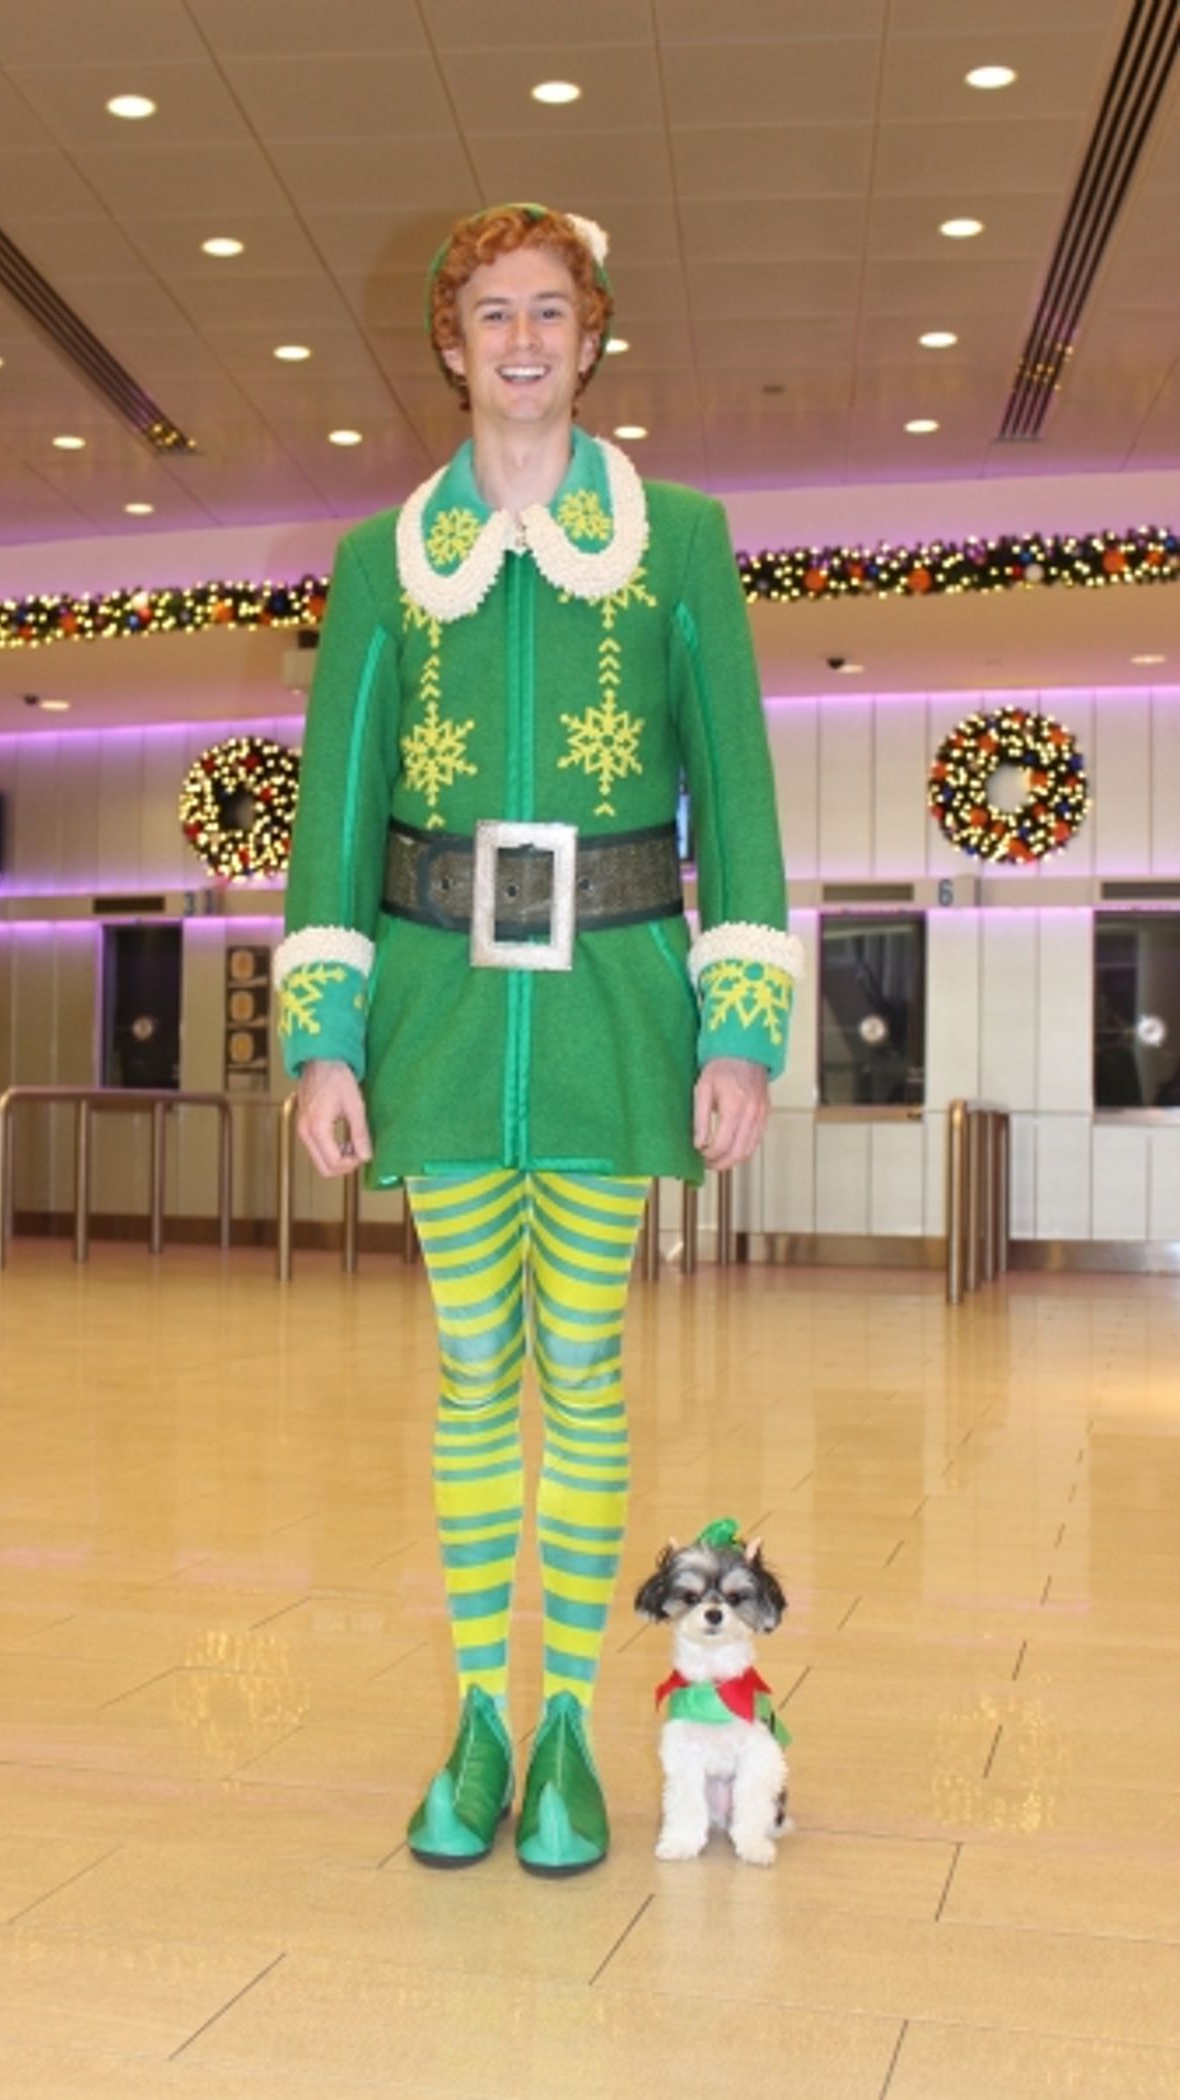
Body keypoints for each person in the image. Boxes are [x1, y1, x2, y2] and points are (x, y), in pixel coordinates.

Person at [274, 204, 801, 1876]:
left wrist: (742, 1030)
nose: (520, 339)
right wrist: (324, 1037)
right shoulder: (380, 562)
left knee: (581, 1366)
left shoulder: (682, 541)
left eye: (550, 312)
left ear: (592, 335)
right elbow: (333, 817)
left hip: (607, 1020)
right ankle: (479, 1716)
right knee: (467, 1372)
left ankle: (571, 1719)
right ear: (450, 340)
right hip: (434, 1019)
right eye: (491, 313)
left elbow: (744, 798)